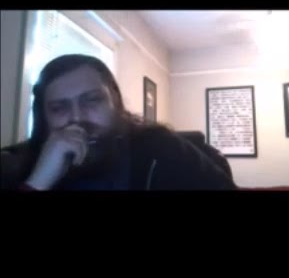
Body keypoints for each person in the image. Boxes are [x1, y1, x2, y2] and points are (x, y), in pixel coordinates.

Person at [0, 54, 236, 190]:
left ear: (115, 101)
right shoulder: (12, 165)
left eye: (91, 100)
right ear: (43, 116)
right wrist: (37, 182)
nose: (77, 117)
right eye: (59, 108)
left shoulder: (162, 149)